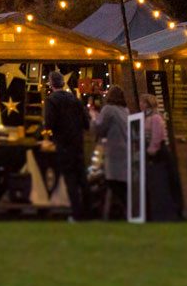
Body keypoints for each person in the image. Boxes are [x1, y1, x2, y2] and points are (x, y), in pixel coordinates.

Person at [44, 74, 91, 220]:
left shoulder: (51, 100)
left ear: (51, 84)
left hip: (63, 144)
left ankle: (77, 214)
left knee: (70, 178)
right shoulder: (75, 100)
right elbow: (86, 124)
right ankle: (89, 212)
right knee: (82, 178)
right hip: (78, 143)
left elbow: (49, 123)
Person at [94, 88, 133, 221]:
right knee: (122, 183)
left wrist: (93, 118)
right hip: (126, 150)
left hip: (114, 150)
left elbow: (100, 128)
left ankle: (118, 213)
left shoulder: (108, 109)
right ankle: (126, 211)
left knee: (113, 182)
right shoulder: (126, 111)